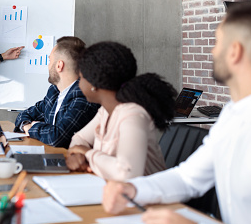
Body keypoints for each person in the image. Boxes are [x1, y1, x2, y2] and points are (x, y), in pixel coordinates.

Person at [102, 0, 251, 224]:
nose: (213, 51)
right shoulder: (231, 115)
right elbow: (188, 178)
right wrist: (133, 189)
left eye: (217, 42)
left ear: (234, 52)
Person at [66, 41, 176, 181]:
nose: (79, 83)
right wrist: (78, 155)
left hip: (150, 200)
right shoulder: (105, 112)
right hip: (116, 193)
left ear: (93, 84)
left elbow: (127, 173)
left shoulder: (133, 114)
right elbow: (79, 139)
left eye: (81, 78)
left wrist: (88, 154)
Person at [13, 36, 99, 147]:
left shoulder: (83, 96)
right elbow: (24, 115)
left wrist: (33, 127)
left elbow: (57, 137)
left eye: (50, 61)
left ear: (59, 65)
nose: (48, 66)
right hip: (51, 156)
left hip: (70, 161)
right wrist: (26, 125)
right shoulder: (54, 91)